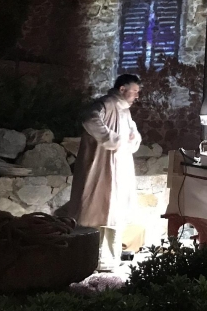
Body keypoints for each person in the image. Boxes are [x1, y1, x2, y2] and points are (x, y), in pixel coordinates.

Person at [56, 74, 142, 272]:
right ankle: (90, 258)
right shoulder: (105, 104)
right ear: (122, 89)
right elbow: (89, 119)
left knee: (114, 212)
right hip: (100, 166)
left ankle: (109, 259)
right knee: (95, 209)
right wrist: (113, 139)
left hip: (119, 168)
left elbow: (132, 133)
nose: (137, 96)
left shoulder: (124, 112)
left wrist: (132, 138)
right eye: (134, 91)